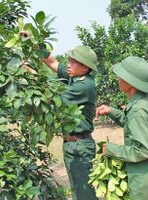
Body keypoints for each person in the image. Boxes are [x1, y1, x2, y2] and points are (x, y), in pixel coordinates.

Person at [96, 56, 148, 200]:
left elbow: (144, 150)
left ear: (131, 83)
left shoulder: (137, 111)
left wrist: (111, 149)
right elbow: (133, 125)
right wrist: (111, 111)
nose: (118, 79)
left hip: (143, 182)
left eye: (121, 77)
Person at [43, 45, 98, 200]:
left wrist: (31, 73)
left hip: (80, 146)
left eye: (73, 62)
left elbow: (51, 96)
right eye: (69, 60)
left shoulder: (85, 85)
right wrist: (32, 42)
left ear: (85, 68)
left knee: (85, 193)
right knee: (76, 190)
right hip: (70, 144)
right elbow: (51, 62)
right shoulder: (74, 78)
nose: (68, 64)